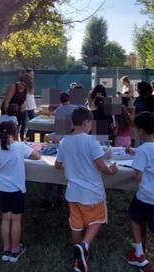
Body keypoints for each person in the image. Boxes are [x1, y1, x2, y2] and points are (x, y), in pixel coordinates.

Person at [55, 107, 119, 272]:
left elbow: (57, 165)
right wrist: (112, 170)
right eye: (90, 123)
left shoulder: (64, 141)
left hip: (72, 192)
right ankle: (84, 246)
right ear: (85, 122)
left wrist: (72, 164)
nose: (91, 126)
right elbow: (102, 168)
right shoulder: (91, 141)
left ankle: (78, 257)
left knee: (76, 224)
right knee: (97, 219)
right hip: (92, 192)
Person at [0, 121, 41, 263]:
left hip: (2, 189)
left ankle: (6, 248)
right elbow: (37, 156)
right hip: (17, 190)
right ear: (15, 133)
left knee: (5, 218)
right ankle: (16, 248)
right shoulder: (20, 147)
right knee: (16, 220)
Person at [124, 112, 154, 272]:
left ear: (141, 131)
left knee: (133, 216)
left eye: (135, 130)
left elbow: (137, 177)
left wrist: (135, 161)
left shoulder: (142, 150)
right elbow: (150, 157)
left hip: (146, 196)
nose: (135, 133)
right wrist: (135, 153)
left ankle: (139, 252)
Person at [2, 73, 33, 140]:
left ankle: (20, 139)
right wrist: (8, 115)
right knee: (10, 128)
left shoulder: (26, 89)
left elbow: (24, 100)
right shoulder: (13, 87)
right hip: (9, 110)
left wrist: (24, 105)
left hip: (18, 110)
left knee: (20, 126)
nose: (23, 87)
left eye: (25, 86)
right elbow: (6, 102)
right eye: (22, 84)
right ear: (20, 81)